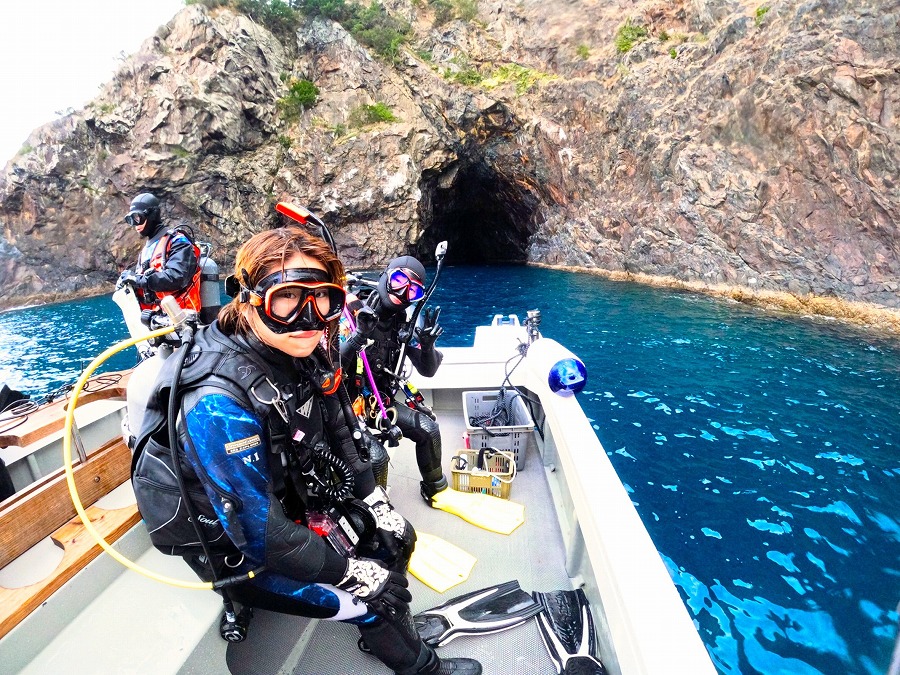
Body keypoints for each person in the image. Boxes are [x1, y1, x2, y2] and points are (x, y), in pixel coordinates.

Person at [131, 224, 481, 675]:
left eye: (323, 300)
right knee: (373, 597)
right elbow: (260, 533)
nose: (308, 318)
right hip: (239, 550)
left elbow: (342, 431)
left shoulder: (309, 348)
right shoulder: (217, 403)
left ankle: (387, 632)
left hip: (288, 502)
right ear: (250, 297)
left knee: (397, 538)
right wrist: (353, 575)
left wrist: (375, 501)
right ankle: (420, 665)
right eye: (288, 299)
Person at [340, 257, 449, 502]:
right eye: (399, 280)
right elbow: (331, 369)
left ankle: (437, 491)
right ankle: (378, 517)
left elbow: (427, 370)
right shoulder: (349, 314)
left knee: (429, 430)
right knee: (377, 458)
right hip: (343, 408)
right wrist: (359, 335)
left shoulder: (403, 323)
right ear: (384, 277)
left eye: (414, 289)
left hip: (378, 404)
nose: (402, 292)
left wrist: (428, 346)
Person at [116, 192, 202, 317]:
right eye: (131, 220)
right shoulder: (146, 251)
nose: (136, 225)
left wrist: (138, 280)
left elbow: (177, 277)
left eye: (138, 218)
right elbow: (144, 285)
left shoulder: (178, 241)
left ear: (152, 215)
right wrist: (128, 283)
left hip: (185, 317)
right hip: (158, 317)